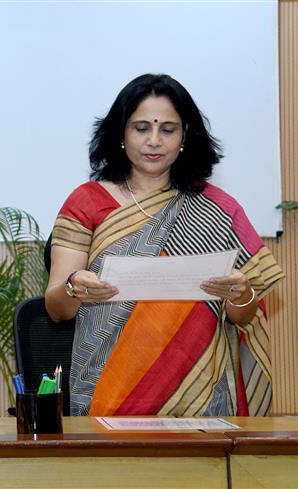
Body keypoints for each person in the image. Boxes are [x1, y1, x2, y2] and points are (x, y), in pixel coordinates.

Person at [45, 74, 284, 417]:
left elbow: (243, 315)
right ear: (121, 134)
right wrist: (73, 287)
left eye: (167, 130)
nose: (154, 141)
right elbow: (57, 309)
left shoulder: (219, 208)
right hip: (108, 393)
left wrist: (241, 293)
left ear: (185, 136)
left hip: (201, 398)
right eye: (142, 128)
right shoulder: (86, 203)